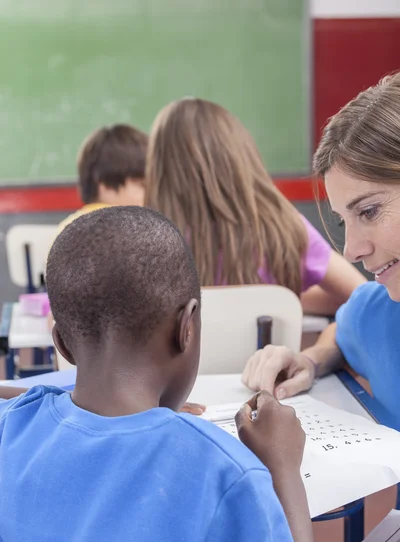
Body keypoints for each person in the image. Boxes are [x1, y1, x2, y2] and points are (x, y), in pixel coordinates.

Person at [0, 206, 325, 542]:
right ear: (186, 326)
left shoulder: (10, 428)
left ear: (63, 344)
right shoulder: (226, 477)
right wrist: (282, 469)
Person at [242, 72, 400, 415]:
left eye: (370, 211)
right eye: (344, 221)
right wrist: (311, 360)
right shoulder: (377, 310)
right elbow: (344, 334)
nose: (351, 250)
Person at [145, 98, 365, 316]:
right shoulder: (282, 226)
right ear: (239, 156)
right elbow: (362, 296)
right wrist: (275, 299)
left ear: (160, 168)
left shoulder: (149, 243)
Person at [55, 124, 148, 237]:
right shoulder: (121, 230)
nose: (149, 194)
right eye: (142, 185)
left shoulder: (66, 229)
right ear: (106, 183)